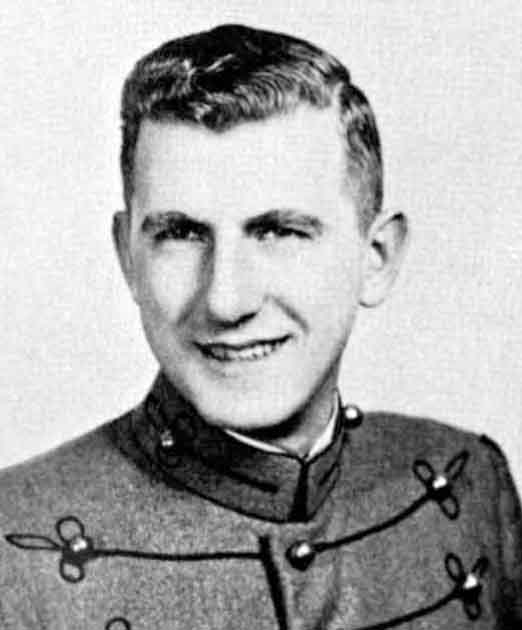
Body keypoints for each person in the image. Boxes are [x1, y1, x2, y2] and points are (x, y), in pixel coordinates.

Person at [0, 23, 520, 630]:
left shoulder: (466, 481)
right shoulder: (14, 546)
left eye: (279, 231)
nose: (226, 300)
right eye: (180, 234)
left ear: (376, 258)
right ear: (127, 257)